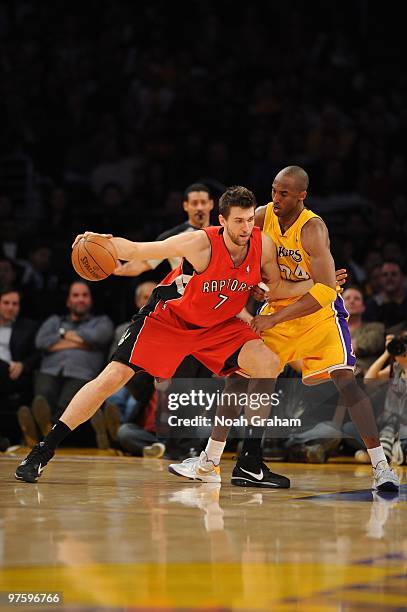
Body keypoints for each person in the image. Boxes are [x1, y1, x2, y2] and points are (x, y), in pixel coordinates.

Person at [15, 185, 315, 484]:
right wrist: (101, 242)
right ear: (222, 221)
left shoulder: (262, 245)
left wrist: (315, 283)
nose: (246, 227)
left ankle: (250, 462)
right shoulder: (199, 243)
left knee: (269, 364)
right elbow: (138, 250)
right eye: (239, 221)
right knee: (113, 377)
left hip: (218, 326)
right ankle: (44, 449)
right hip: (169, 320)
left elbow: (275, 288)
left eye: (250, 219)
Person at [170, 166, 399, 492]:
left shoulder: (313, 229)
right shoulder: (263, 216)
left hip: (318, 314)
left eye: (284, 194)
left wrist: (273, 315)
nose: (276, 199)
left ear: (301, 196)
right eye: (274, 191)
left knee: (346, 381)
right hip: (279, 309)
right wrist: (257, 285)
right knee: (240, 376)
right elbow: (241, 255)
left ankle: (381, 468)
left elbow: (324, 290)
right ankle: (210, 460)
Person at [23, 281, 114, 446]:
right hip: (50, 370)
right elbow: (41, 342)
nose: (80, 299)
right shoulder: (54, 321)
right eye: (76, 295)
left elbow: (99, 338)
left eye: (85, 295)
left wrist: (61, 336)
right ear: (68, 301)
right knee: (42, 398)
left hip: (82, 373)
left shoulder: (102, 322)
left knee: (67, 403)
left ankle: (40, 434)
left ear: (91, 300)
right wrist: (84, 343)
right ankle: (46, 434)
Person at [0, 288, 39, 445]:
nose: (10, 307)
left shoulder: (28, 327)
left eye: (14, 304)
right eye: (6, 303)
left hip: (11, 373)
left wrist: (23, 365)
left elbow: (37, 353)